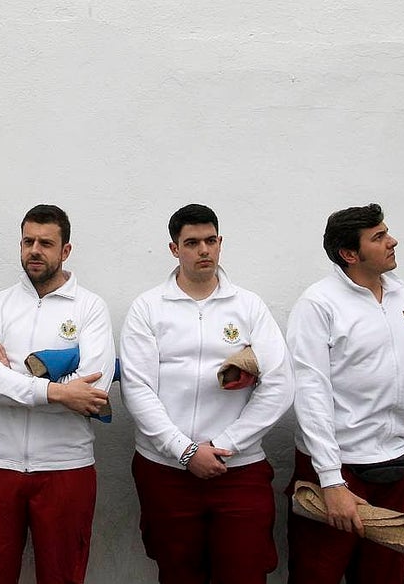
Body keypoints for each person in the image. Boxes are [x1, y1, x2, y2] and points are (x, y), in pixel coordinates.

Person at [120, 203, 295, 584]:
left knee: (244, 573)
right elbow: (138, 389)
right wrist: (184, 451)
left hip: (239, 470)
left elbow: (279, 385)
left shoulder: (249, 306)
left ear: (220, 243)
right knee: (179, 573)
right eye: (192, 242)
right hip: (165, 471)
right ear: (174, 249)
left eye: (211, 241)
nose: (204, 250)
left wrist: (224, 444)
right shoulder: (148, 308)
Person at [0, 204, 116, 584]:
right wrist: (56, 391)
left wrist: (11, 373)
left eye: (46, 243)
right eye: (27, 241)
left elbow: (94, 389)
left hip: (65, 467)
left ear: (65, 250)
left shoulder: (91, 308)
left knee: (63, 576)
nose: (34, 250)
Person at [285, 203, 404, 583]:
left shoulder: (403, 296)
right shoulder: (318, 304)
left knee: (385, 578)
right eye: (378, 237)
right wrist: (331, 480)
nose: (392, 241)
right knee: (318, 575)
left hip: (397, 466)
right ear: (350, 254)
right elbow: (310, 392)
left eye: (387, 232)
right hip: (338, 470)